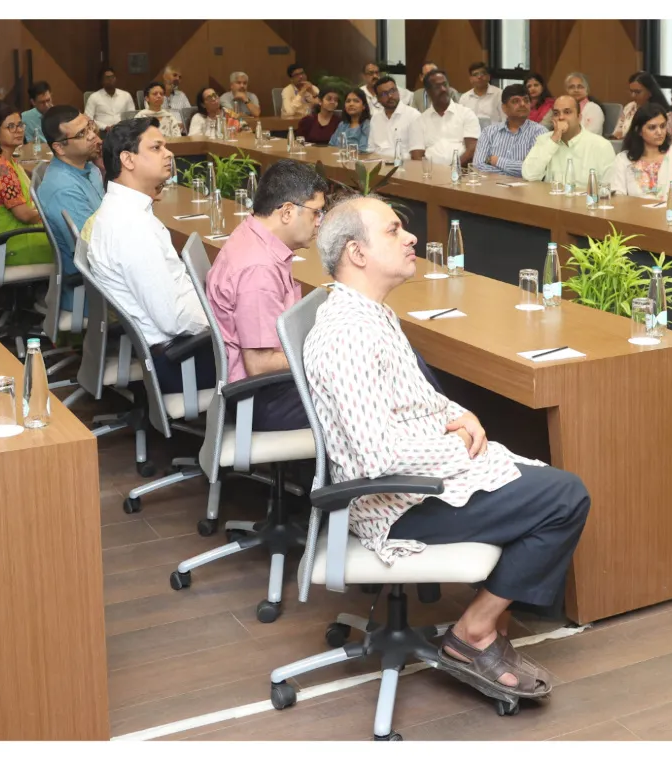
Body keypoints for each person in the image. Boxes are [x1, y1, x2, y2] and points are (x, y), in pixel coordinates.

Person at [307, 196, 588, 699]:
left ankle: (490, 626)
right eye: (393, 230)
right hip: (397, 502)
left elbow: (417, 398)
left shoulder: (370, 313)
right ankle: (473, 633)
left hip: (417, 480)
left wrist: (459, 414)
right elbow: (378, 458)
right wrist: (459, 447)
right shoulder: (349, 334)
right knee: (564, 497)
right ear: (357, 253)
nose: (410, 237)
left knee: (540, 479)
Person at [80, 118, 214, 394]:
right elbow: (174, 320)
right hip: (182, 359)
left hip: (181, 349)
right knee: (284, 353)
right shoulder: (130, 226)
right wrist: (224, 318)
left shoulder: (126, 211)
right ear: (128, 159)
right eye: (156, 148)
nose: (169, 153)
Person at [206, 160, 329, 431]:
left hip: (271, 387)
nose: (319, 222)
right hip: (263, 399)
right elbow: (260, 365)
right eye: (316, 213)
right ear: (287, 212)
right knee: (364, 391)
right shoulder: (258, 269)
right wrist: (326, 356)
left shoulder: (254, 236)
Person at [0, 103, 56, 271]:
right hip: (12, 243)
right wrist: (53, 214)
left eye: (20, 124)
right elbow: (25, 215)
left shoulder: (1, 159)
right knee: (68, 246)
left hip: (9, 237)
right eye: (10, 126)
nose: (18, 130)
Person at [35, 105, 101, 309]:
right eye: (82, 134)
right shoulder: (64, 189)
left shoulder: (89, 168)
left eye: (90, 126)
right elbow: (94, 252)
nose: (92, 135)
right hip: (92, 293)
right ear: (60, 148)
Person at [608, 103, 672, 205]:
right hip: (635, 214)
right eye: (652, 128)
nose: (659, 132)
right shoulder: (624, 160)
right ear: (638, 131)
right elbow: (617, 199)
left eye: (662, 126)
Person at [519, 95, 615, 185]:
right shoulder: (545, 140)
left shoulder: (601, 145)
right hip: (550, 197)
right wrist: (553, 140)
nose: (561, 117)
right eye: (556, 113)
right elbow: (529, 175)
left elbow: (609, 187)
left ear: (579, 117)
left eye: (567, 112)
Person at [472, 87, 546, 177]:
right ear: (504, 108)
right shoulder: (489, 132)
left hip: (525, 186)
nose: (522, 104)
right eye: (515, 101)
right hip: (491, 185)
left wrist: (497, 161)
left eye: (526, 100)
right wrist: (512, 175)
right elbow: (478, 166)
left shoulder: (539, 132)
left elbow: (536, 169)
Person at [418, 69, 479, 166]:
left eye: (445, 84)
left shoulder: (466, 114)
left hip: (461, 170)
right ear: (428, 91)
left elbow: (472, 149)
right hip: (430, 172)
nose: (443, 89)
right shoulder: (421, 120)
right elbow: (417, 155)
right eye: (437, 86)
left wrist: (454, 168)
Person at [369, 78, 426, 161]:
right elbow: (371, 150)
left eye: (393, 91)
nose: (390, 96)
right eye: (384, 94)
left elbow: (417, 155)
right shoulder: (375, 118)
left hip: (404, 166)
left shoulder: (413, 116)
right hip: (379, 164)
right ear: (378, 98)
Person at [609, 72, 670, 141]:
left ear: (650, 92)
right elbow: (617, 133)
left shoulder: (659, 112)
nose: (633, 96)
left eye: (637, 92)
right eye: (631, 91)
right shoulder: (630, 107)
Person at [328, 88, 372, 153]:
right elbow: (331, 144)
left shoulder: (367, 125)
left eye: (356, 101)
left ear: (364, 106)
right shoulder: (342, 125)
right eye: (348, 101)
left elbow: (363, 150)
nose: (351, 104)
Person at [20, 81, 54, 150]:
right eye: (42, 102)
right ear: (33, 102)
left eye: (48, 100)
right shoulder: (24, 118)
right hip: (36, 152)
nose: (47, 105)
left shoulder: (60, 115)